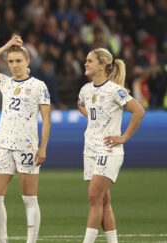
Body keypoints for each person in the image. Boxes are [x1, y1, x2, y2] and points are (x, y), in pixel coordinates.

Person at [0, 35, 51, 243]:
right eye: (11, 61)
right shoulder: (5, 82)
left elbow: (46, 120)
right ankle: (3, 240)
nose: (14, 65)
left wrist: (43, 147)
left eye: (18, 61)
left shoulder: (38, 86)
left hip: (27, 147)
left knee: (29, 198)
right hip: (3, 145)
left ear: (28, 62)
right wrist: (6, 46)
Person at [78, 48, 145, 243]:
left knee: (93, 197)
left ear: (102, 65)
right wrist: (93, 117)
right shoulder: (86, 89)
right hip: (89, 148)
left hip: (108, 149)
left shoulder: (115, 90)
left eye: (89, 61)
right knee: (104, 201)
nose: (85, 64)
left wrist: (123, 137)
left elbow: (139, 110)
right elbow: (80, 103)